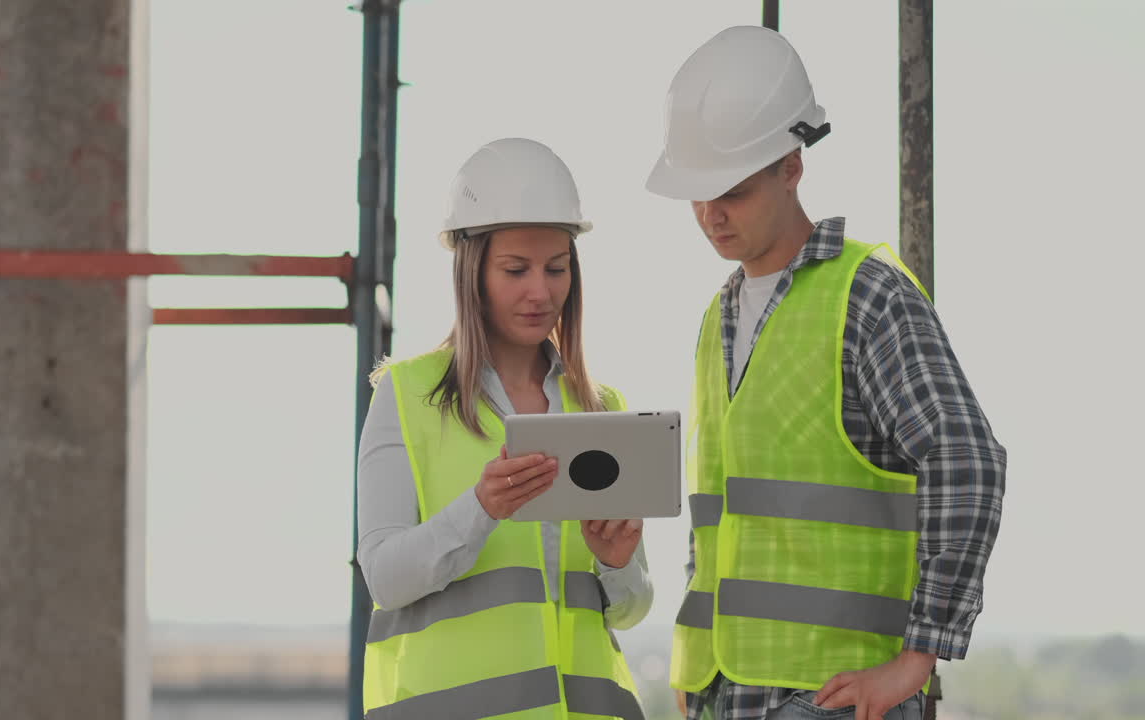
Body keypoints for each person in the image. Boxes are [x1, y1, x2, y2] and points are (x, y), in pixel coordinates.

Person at [644, 26, 1007, 720]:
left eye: (732, 190)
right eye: (697, 194)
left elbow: (967, 462)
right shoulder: (717, 318)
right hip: (727, 693)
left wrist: (916, 660)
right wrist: (696, 670)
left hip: (832, 697)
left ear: (791, 166)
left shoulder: (866, 295)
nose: (711, 215)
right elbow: (719, 518)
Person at [357, 137, 653, 719]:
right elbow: (385, 579)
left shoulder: (602, 408)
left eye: (556, 268)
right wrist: (480, 509)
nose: (541, 292)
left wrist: (617, 564)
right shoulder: (407, 394)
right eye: (516, 270)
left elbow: (630, 610)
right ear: (472, 273)